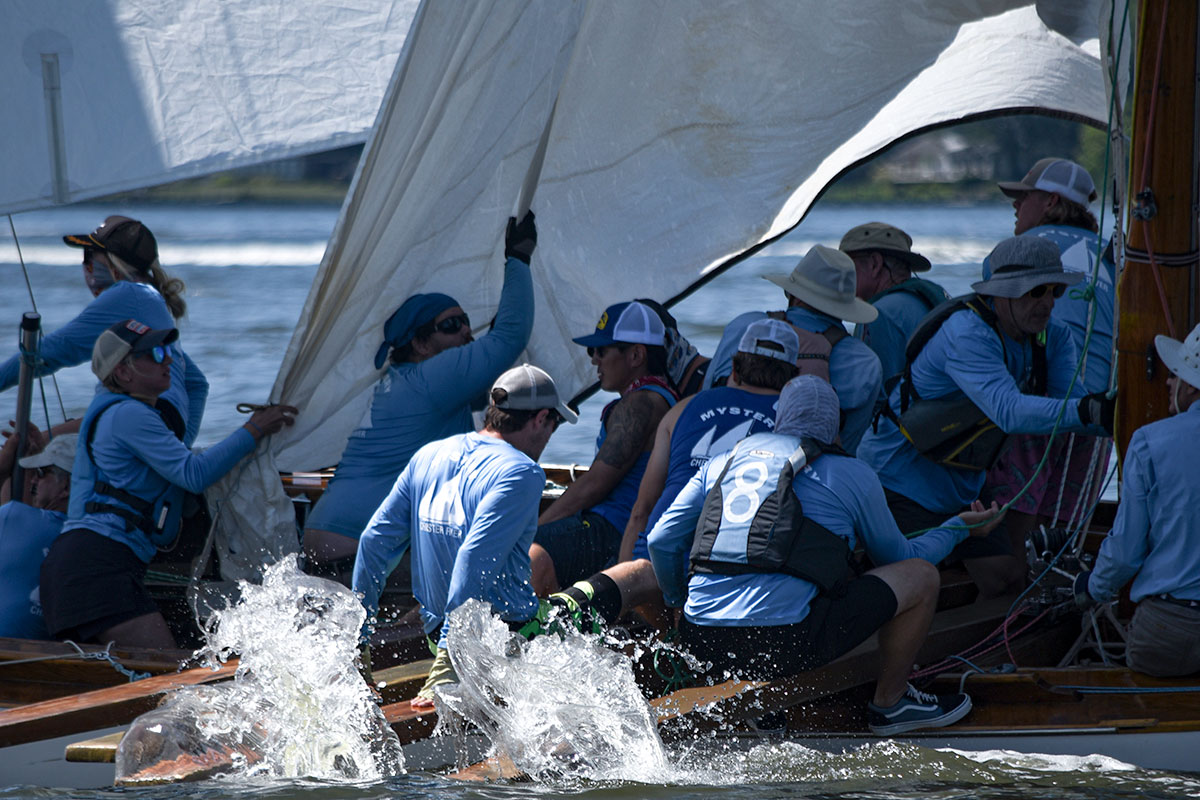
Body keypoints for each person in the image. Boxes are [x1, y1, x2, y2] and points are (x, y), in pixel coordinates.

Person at [647, 376, 1003, 735]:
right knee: (921, 577)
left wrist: (676, 601)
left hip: (702, 639)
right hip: (784, 643)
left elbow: (660, 540)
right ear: (835, 427)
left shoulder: (722, 462)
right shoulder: (853, 473)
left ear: (780, 417)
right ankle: (892, 704)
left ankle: (755, 700)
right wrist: (957, 528)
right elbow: (900, 558)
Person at [857, 235, 1113, 598]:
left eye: (1055, 290)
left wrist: (1123, 416)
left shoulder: (1053, 337)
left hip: (962, 483)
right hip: (899, 479)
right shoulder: (967, 333)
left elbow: (1074, 405)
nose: (1047, 303)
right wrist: (1092, 410)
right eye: (1035, 291)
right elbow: (1009, 411)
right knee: (912, 582)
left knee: (1007, 579)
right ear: (1003, 292)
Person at [39, 320, 296, 649]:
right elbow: (193, 474)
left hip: (85, 564)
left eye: (166, 352)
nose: (168, 360)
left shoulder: (133, 413)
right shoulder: (129, 415)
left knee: (134, 672)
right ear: (123, 372)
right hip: (97, 565)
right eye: (155, 354)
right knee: (167, 670)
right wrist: (255, 429)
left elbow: (196, 391)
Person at [304, 213, 537, 568]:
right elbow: (510, 338)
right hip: (356, 547)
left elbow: (497, 390)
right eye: (451, 325)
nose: (466, 332)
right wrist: (518, 258)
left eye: (466, 322)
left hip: (327, 540)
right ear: (421, 344)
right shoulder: (430, 380)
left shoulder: (406, 384)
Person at [548, 319, 800, 632]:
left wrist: (625, 597)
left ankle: (595, 606)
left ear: (734, 369)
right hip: (726, 574)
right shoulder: (794, 421)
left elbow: (641, 510)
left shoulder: (682, 408)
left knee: (642, 592)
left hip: (655, 566)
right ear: (793, 380)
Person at [352, 363, 576, 707]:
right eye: (554, 425)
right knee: (608, 594)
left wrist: (360, 640)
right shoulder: (522, 472)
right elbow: (473, 558)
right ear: (541, 418)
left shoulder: (428, 455)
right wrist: (449, 662)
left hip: (435, 632)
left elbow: (373, 542)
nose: (549, 436)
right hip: (503, 638)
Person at [988, 158, 1116, 549]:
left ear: (1051, 201)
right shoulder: (1118, 258)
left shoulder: (1011, 255)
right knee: (1061, 543)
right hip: (1099, 414)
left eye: (1023, 196)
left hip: (1038, 410)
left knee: (1012, 542)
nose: (1015, 205)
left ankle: (1009, 582)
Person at [0, 216, 208, 446]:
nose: (86, 267)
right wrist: (180, 448)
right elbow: (197, 384)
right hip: (161, 423)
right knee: (39, 443)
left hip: (141, 419)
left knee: (23, 452)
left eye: (89, 257)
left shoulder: (127, 293)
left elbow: (50, 351)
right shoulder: (150, 301)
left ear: (114, 265)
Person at [1074, 324, 1200, 678]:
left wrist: (1091, 588)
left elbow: (1125, 553)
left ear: (1192, 385)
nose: (1168, 383)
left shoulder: (1149, 442)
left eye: (1175, 374)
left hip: (1169, 630)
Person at [529, 301, 676, 595]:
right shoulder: (660, 397)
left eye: (601, 350)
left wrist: (535, 529)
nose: (594, 360)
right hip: (609, 526)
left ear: (636, 355)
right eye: (591, 352)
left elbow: (595, 484)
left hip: (611, 529)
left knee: (524, 551)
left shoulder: (641, 403)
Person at [703, 245, 883, 453]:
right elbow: (847, 449)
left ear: (793, 295)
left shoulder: (744, 327)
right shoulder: (865, 363)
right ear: (847, 308)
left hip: (722, 457)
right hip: (806, 468)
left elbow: (706, 396)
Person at [838, 222, 947, 385]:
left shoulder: (879, 314)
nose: (841, 275)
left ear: (875, 264)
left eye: (846, 265)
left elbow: (879, 389)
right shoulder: (924, 300)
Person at [0, 433, 76, 639]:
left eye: (41, 473)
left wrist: (3, 470)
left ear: (67, 486)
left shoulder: (14, 517)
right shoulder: (93, 536)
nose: (33, 480)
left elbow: (14, 511)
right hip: (49, 651)